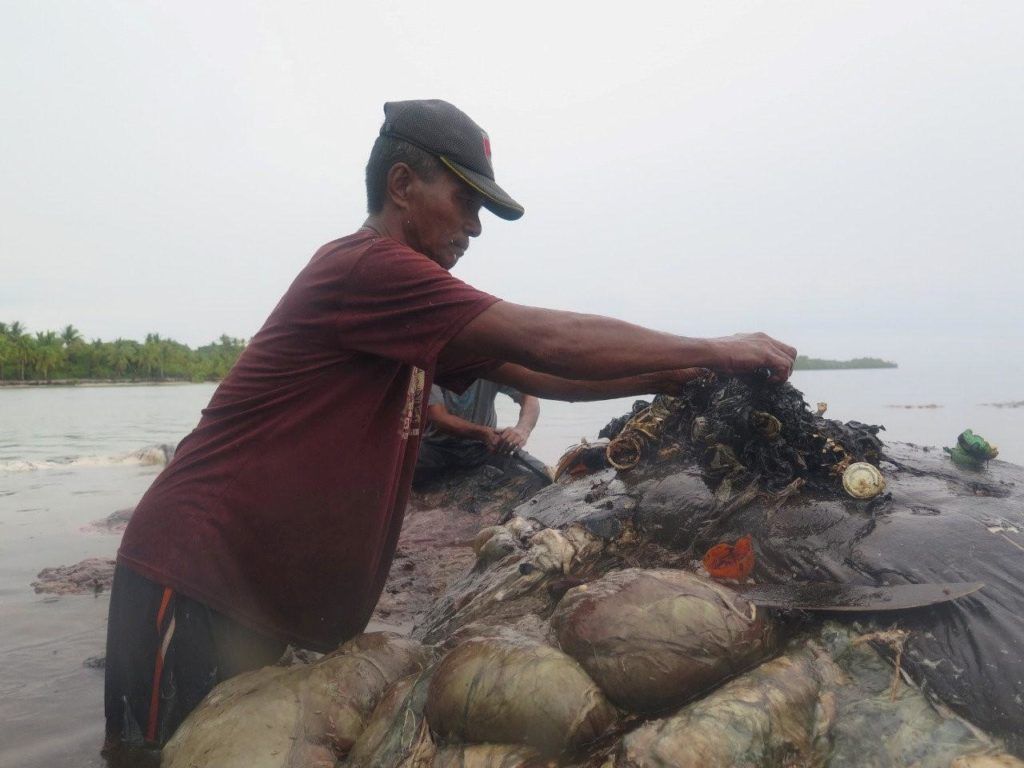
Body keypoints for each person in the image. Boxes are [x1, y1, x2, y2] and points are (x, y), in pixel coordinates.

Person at [104, 99, 797, 752]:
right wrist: (711, 348)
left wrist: (667, 377)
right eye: (466, 200)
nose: (474, 226)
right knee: (151, 755)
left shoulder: (405, 309)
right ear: (402, 184)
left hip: (255, 598)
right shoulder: (368, 268)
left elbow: (539, 373)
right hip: (194, 573)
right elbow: (543, 338)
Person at [414, 380, 546, 487]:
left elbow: (529, 397)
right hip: (434, 448)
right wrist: (483, 433)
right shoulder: (433, 362)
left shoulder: (490, 361)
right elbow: (438, 418)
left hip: (484, 448)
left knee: (544, 475)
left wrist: (522, 429)